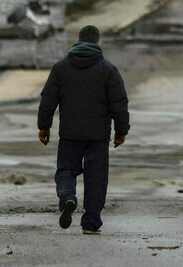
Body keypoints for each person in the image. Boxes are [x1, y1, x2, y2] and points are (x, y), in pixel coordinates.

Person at [38, 25, 130, 235]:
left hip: (70, 133)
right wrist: (121, 131)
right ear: (98, 42)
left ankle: (68, 197)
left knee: (65, 170)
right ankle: (91, 221)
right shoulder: (108, 69)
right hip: (98, 136)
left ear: (78, 42)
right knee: (96, 178)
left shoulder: (61, 68)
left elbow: (48, 100)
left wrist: (44, 126)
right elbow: (119, 103)